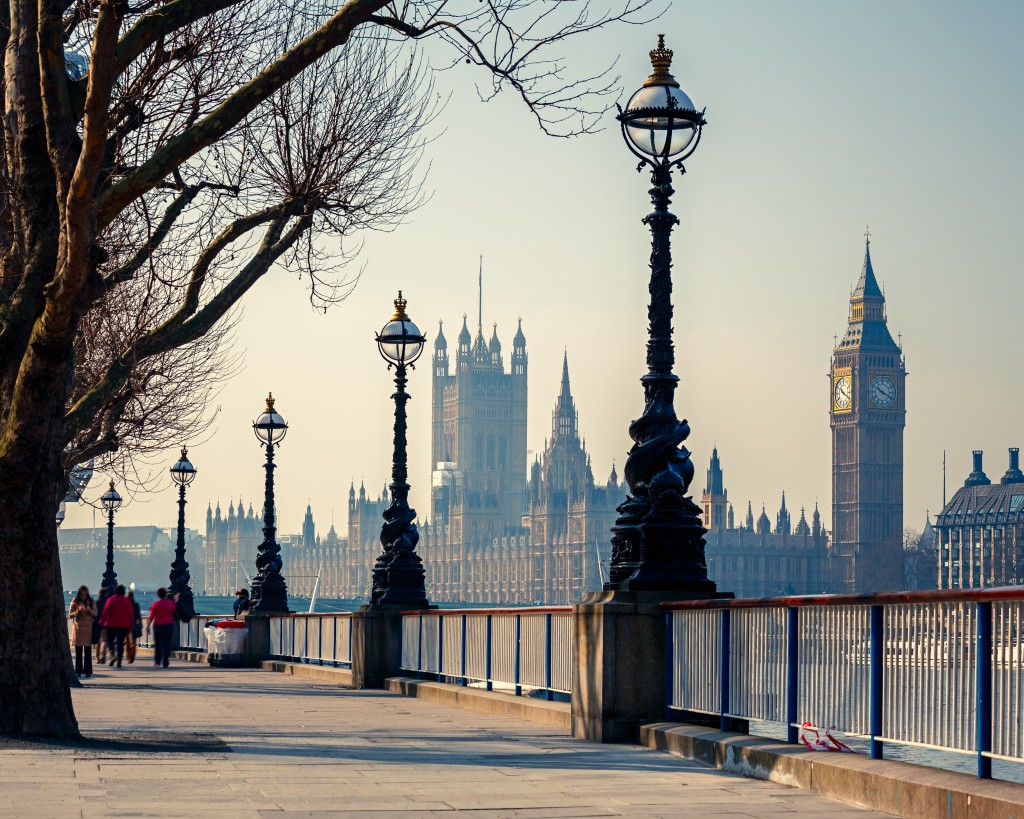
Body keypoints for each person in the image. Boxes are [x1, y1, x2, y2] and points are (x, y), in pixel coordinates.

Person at [99, 585, 134, 668]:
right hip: (123, 625)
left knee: (110, 641)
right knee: (120, 643)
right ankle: (119, 661)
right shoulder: (127, 601)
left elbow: (105, 612)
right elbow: (131, 614)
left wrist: (102, 621)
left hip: (111, 625)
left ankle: (112, 655)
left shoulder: (110, 600)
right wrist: (131, 624)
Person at [68, 586, 97, 677]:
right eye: (82, 595)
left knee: (88, 652)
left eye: (85, 594)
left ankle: (88, 671)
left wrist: (89, 610)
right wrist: (77, 611)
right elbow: (70, 614)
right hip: (79, 628)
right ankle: (78, 671)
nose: (83, 596)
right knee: (79, 652)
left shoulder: (91, 601)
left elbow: (95, 613)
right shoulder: (75, 601)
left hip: (88, 628)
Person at [148, 587, 178, 668]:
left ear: (158, 595)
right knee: (166, 644)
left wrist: (148, 626)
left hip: (158, 626)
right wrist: (175, 600)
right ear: (165, 594)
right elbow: (174, 610)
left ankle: (157, 661)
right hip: (168, 625)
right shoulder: (170, 603)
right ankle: (165, 661)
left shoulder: (156, 604)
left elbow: (151, 616)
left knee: (158, 644)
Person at [125, 590, 143, 664]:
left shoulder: (125, 604)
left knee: (127, 642)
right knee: (134, 641)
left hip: (126, 625)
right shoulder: (136, 604)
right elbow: (138, 615)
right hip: (134, 624)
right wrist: (140, 623)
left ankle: (129, 656)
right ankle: (133, 654)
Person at [93, 587, 110, 664]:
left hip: (96, 624)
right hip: (104, 624)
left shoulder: (96, 602)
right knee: (104, 641)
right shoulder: (107, 602)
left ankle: (97, 658)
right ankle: (103, 657)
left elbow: (93, 613)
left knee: (97, 642)